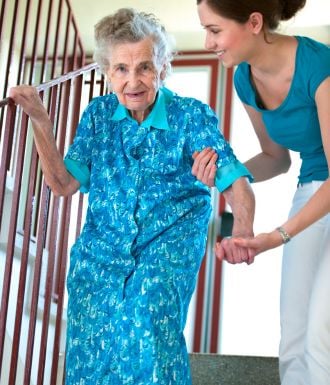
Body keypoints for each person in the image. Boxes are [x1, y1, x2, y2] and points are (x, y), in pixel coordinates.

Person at [9, 8, 255, 385]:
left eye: (145, 67)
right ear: (108, 72)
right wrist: (41, 121)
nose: (133, 80)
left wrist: (243, 230)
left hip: (167, 244)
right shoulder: (97, 116)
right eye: (121, 69)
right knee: (93, 345)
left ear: (163, 68)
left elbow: (235, 181)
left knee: (147, 316)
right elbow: (62, 184)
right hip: (101, 251)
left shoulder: (190, 116)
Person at [194, 0, 330, 384]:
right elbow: (276, 158)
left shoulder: (320, 68)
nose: (208, 42)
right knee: (294, 336)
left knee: (322, 333)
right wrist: (226, 176)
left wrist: (278, 235)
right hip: (311, 188)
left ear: (254, 22)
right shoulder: (244, 78)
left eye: (215, 30)